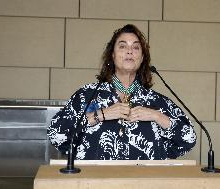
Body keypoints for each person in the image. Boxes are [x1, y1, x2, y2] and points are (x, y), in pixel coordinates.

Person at [47, 24, 196, 160]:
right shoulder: (87, 95)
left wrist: (156, 116)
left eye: (136, 48)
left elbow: (188, 139)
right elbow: (56, 135)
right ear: (112, 55)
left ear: (142, 58)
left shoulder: (157, 102)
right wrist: (101, 115)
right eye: (123, 46)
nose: (130, 51)